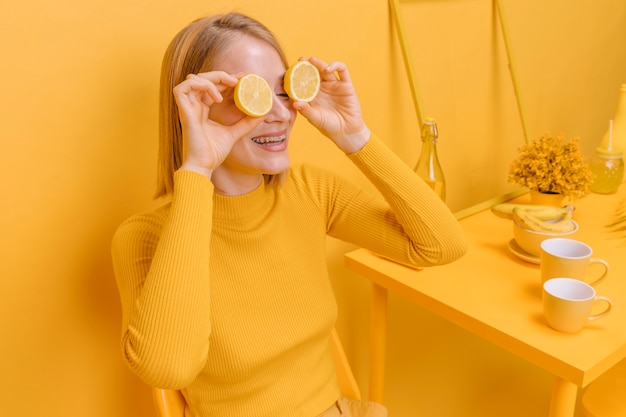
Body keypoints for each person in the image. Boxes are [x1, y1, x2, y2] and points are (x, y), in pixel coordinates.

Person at [111, 12, 467, 417]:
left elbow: (441, 246)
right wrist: (197, 169)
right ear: (196, 109)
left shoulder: (312, 191)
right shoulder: (144, 237)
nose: (281, 114)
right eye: (252, 96)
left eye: (283, 92)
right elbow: (168, 368)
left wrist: (355, 136)